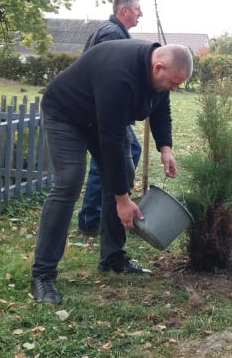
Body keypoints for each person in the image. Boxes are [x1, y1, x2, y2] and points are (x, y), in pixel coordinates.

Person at [30, 40, 193, 305]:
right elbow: (112, 139)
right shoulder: (119, 73)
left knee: (122, 173)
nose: (175, 88)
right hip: (66, 114)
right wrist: (122, 200)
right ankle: (42, 274)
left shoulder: (159, 75)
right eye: (173, 82)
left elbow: (161, 108)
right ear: (158, 66)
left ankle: (112, 258)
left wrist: (166, 148)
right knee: (69, 181)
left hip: (101, 118)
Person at [77, 0, 143, 237]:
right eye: (137, 9)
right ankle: (92, 218)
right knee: (107, 161)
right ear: (123, 10)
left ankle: (104, 211)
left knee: (122, 154)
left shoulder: (117, 32)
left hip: (106, 108)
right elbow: (105, 74)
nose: (141, 13)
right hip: (101, 109)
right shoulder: (111, 34)